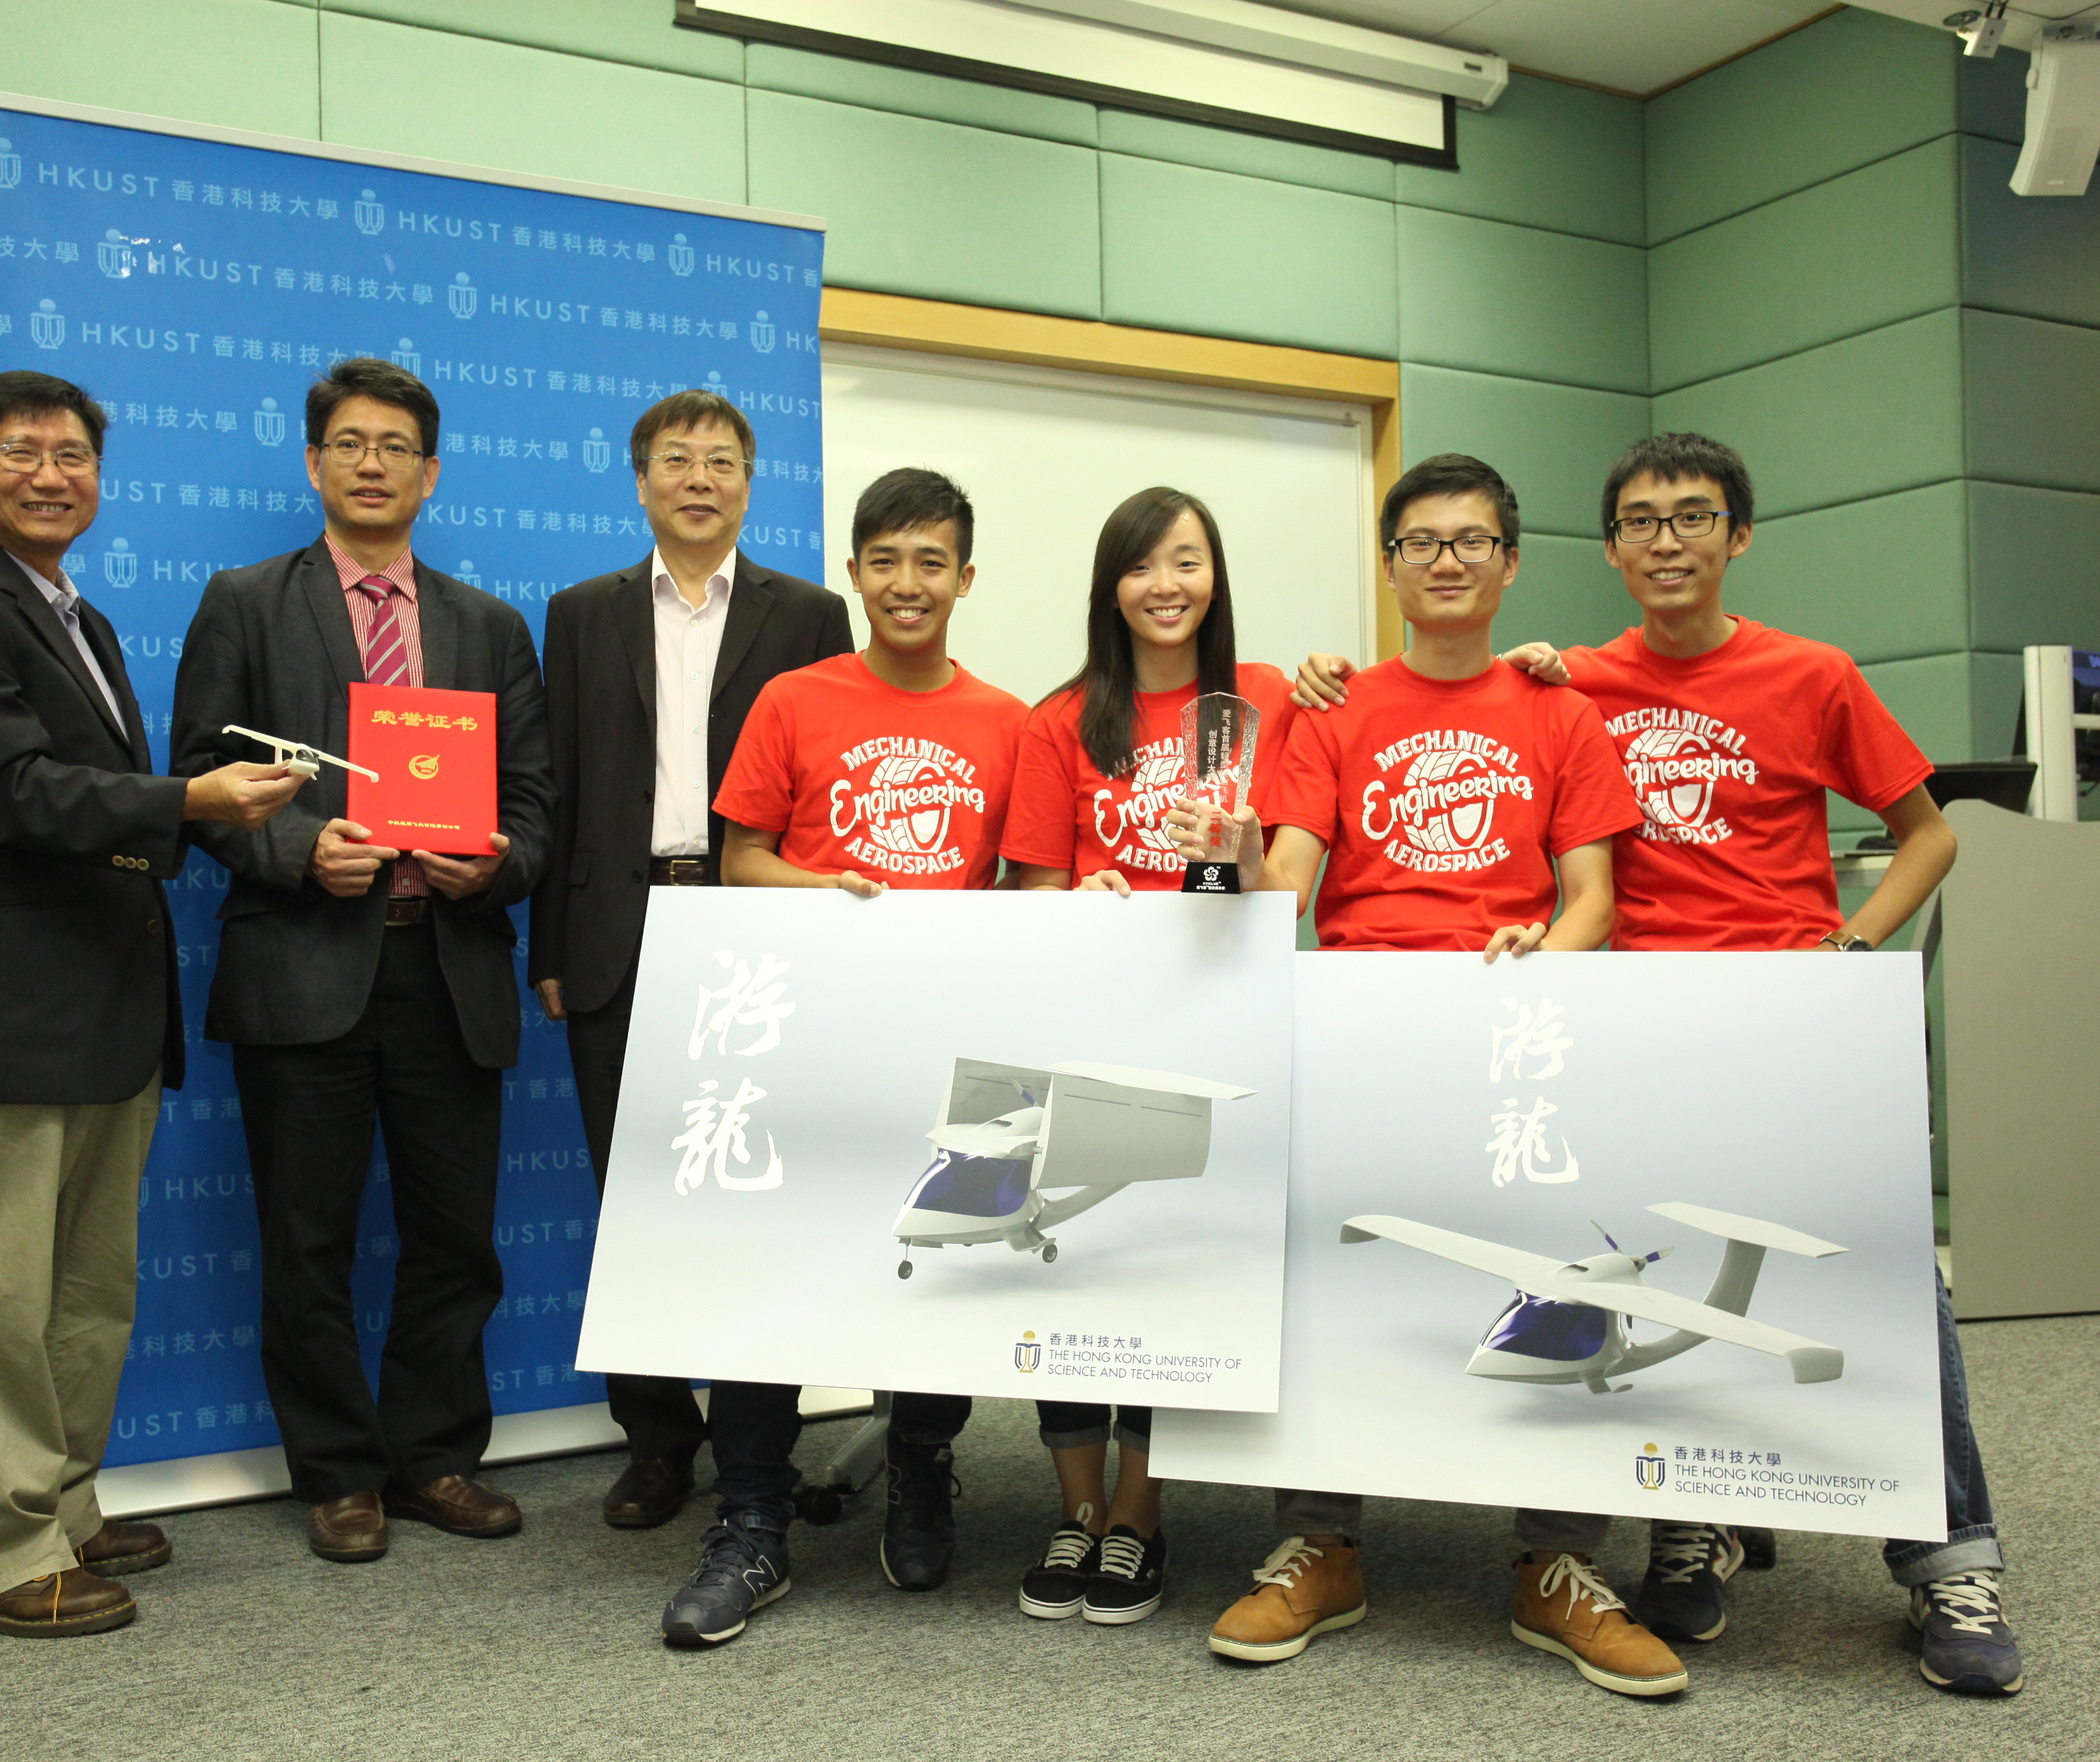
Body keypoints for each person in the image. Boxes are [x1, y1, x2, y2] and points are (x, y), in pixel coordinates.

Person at [1291, 431, 2018, 1699]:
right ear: (1611, 548)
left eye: (1694, 517)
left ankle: (1950, 1554)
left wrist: (1850, 945)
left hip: (1786, 1018)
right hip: (1630, 1023)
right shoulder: (1575, 680)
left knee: (1888, 1275)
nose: (1667, 540)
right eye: (1640, 520)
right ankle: (1696, 1516)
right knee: (1663, 1260)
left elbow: (1929, 837)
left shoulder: (1814, 674)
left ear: (1739, 535)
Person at [1186, 453, 1684, 1698]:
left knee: (1562, 1270)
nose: (1447, 560)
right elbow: (1288, 893)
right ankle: (1324, 1543)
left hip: (1520, 1031)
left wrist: (1531, 973)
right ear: (1392, 565)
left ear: (1510, 563)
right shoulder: (1334, 709)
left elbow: (1592, 901)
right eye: (1421, 543)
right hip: (1364, 1027)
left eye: (1471, 541)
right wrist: (1240, 857)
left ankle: (1557, 1561)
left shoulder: (1562, 714)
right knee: (1327, 1265)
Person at [0, 370, 302, 1635]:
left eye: (73, 455)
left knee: (84, 1288)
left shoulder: (81, 617)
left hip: (104, 1009)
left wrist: (194, 813)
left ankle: (58, 1501)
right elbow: (12, 793)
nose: (52, 474)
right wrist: (192, 805)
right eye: (21, 452)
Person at [170, 357, 554, 1564]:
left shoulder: (488, 626)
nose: (373, 462)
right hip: (304, 962)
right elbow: (197, 780)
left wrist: (492, 865)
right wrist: (297, 854)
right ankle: (336, 1474)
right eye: (350, 442)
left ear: (431, 474)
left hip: (447, 967)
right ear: (314, 463)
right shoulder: (244, 600)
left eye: (396, 445)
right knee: (306, 1237)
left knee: (456, 1237)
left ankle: (435, 1458)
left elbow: (538, 807)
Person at [660, 466, 1027, 1647]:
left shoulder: (1009, 721)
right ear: (855, 571)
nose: (907, 583)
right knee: (772, 1268)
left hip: (949, 1046)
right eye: (885, 560)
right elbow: (741, 857)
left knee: (935, 1260)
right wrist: (836, 890)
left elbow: (1023, 890)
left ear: (966, 578)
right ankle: (754, 1521)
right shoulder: (794, 698)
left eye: (933, 562)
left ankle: (921, 1463)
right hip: (802, 1033)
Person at [531, 390, 853, 1530]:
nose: (700, 478)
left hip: (754, 923)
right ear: (641, 482)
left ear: (750, 486)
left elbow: (831, 785)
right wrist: (552, 945)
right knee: (638, 1202)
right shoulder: (580, 614)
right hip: (618, 930)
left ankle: (761, 1440)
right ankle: (659, 1440)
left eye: (723, 461)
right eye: (678, 460)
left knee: (758, 1192)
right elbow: (554, 786)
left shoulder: (810, 614)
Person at [1002, 486, 1297, 1627]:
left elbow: (1274, 885)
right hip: (1096, 1024)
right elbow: (1033, 883)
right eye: (1142, 565)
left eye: (1187, 561)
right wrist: (1089, 891)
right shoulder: (1063, 717)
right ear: (1110, 585)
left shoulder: (1263, 701)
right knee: (1070, 1260)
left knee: (1178, 1268)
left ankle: (1139, 1514)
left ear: (1215, 576)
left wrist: (1229, 856)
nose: (1165, 585)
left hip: (1221, 1022)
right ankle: (1074, 1511)